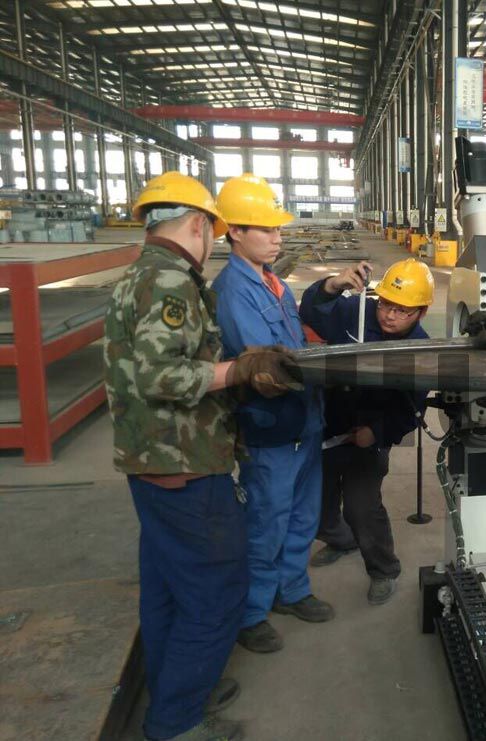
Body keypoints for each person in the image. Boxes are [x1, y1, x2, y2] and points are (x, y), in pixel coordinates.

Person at [104, 172, 301, 741]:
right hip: (184, 464)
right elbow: (161, 375)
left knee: (168, 589)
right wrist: (238, 371)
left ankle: (175, 690)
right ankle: (176, 722)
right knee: (217, 592)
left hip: (151, 461)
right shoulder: (170, 281)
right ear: (198, 224)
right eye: (212, 230)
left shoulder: (137, 275)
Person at [212, 174, 332, 654]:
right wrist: (328, 367)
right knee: (267, 521)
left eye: (278, 228)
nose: (277, 237)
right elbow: (261, 364)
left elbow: (295, 343)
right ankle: (251, 612)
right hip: (270, 428)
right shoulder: (233, 291)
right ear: (235, 231)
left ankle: (292, 590)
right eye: (265, 228)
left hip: (305, 422)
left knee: (303, 516)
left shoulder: (275, 283)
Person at [299, 258, 433, 605]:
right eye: (386, 304)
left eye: (402, 310)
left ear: (421, 313)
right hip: (328, 428)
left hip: (369, 440)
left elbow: (413, 409)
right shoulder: (353, 312)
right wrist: (331, 285)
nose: (389, 315)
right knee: (315, 509)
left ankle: (384, 569)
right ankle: (342, 541)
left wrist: (377, 432)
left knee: (361, 508)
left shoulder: (420, 350)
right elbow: (311, 311)